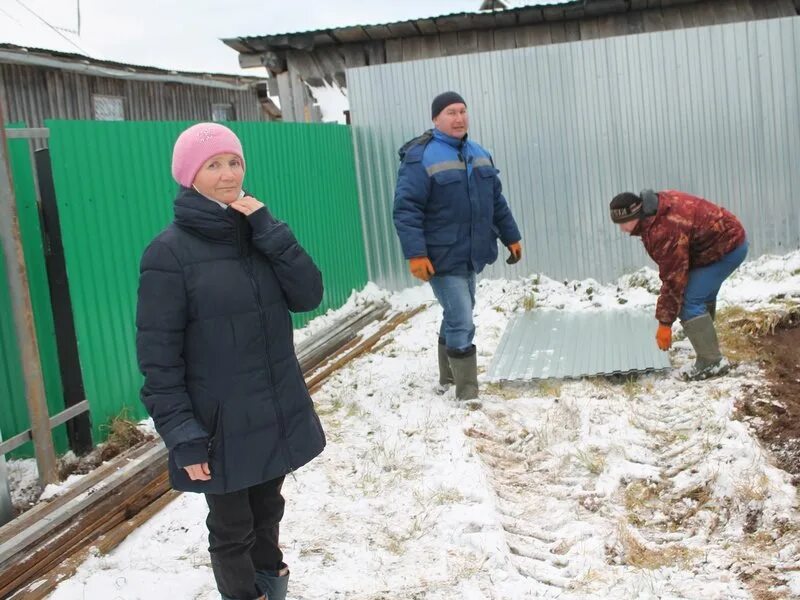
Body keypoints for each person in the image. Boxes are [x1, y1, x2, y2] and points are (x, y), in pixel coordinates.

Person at [135, 123, 325, 600]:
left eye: (234, 162)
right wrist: (183, 436)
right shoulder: (168, 253)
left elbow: (308, 295)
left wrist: (269, 229)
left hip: (273, 409)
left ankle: (272, 587)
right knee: (232, 529)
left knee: (268, 513)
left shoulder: (261, 234)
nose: (228, 174)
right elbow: (158, 358)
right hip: (217, 424)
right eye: (213, 165)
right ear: (188, 176)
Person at [393, 91, 522, 400]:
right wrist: (416, 253)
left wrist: (511, 236)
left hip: (471, 253)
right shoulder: (421, 156)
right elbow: (406, 208)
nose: (459, 117)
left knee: (457, 313)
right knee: (462, 318)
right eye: (451, 112)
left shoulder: (479, 153)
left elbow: (496, 202)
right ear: (436, 118)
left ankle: (448, 377)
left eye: (463, 111)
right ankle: (467, 393)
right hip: (439, 256)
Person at [609, 189, 748, 380]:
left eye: (623, 223)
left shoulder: (663, 230)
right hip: (719, 241)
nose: (622, 229)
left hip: (727, 248)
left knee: (689, 301)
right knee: (699, 295)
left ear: (636, 214)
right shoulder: (654, 209)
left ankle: (711, 362)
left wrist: (665, 323)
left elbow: (674, 279)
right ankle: (703, 342)